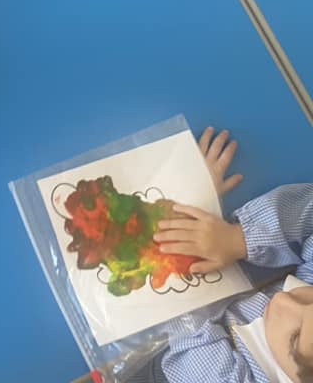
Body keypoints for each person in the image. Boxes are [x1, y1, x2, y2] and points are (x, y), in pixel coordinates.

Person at [129, 127, 313, 383]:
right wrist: (239, 239)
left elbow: (186, 323)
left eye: (295, 335)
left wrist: (188, 207)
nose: (284, 300)